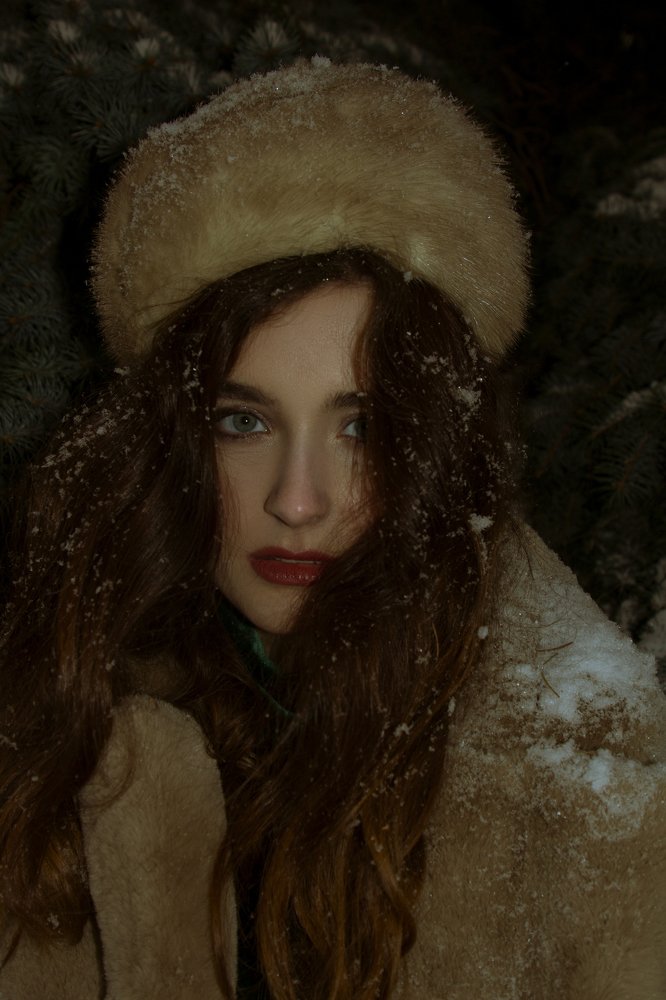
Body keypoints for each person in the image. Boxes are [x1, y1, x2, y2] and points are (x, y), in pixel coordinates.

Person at [0, 58, 664, 1000]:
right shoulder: (64, 719)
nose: (298, 500)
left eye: (362, 428)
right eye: (244, 422)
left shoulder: (585, 792)